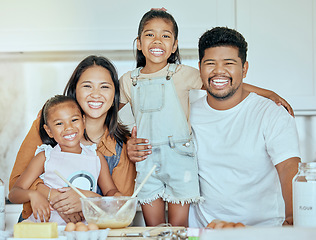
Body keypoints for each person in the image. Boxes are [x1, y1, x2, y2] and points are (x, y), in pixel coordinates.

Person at [119, 9, 293, 227]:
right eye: (149, 34)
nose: (157, 40)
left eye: (165, 35)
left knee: (178, 228)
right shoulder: (128, 81)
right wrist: (128, 142)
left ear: (174, 46)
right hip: (147, 161)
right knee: (154, 229)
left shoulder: (182, 74)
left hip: (179, 159)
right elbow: (112, 119)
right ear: (138, 43)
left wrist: (266, 93)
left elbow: (223, 81)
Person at [187, 27, 301, 227]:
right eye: (210, 63)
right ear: (200, 68)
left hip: (263, 231)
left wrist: (293, 217)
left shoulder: (271, 113)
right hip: (205, 231)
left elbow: (288, 167)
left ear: (245, 69)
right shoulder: (186, 114)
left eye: (229, 63)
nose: (218, 70)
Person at [9, 56, 136, 223]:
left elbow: (118, 208)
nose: (96, 94)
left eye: (104, 87)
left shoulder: (123, 147)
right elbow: (15, 185)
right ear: (75, 91)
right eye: (87, 86)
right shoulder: (47, 126)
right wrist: (52, 195)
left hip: (84, 230)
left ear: (114, 96)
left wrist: (87, 199)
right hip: (41, 227)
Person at [9, 95, 121, 224]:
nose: (68, 127)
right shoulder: (45, 157)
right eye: (59, 123)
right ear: (49, 131)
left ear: (83, 122)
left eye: (74, 120)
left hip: (82, 229)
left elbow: (109, 191)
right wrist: (33, 195)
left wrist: (116, 197)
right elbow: (14, 193)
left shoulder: (96, 157)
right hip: (46, 229)